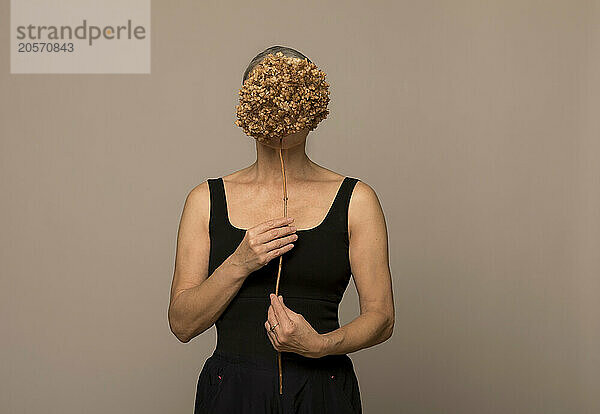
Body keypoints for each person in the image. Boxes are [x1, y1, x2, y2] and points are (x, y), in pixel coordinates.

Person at [168, 46, 394, 414]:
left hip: (323, 387)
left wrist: (320, 345)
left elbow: (381, 318)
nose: (283, 108)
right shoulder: (205, 200)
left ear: (313, 104)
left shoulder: (357, 199)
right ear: (248, 106)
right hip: (232, 391)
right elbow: (182, 324)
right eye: (270, 93)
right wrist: (240, 262)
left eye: (293, 95)